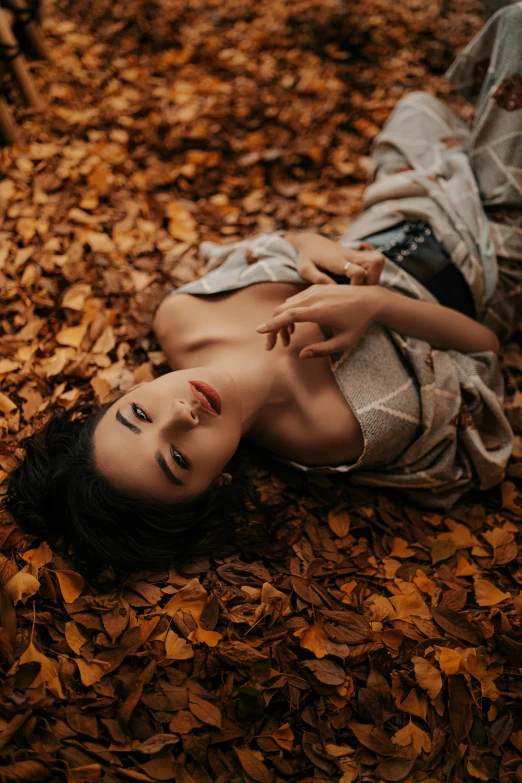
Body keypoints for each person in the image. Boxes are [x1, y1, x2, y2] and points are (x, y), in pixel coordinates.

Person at [8, 3, 522, 575]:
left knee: (418, 105)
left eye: (137, 416)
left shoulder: (184, 317)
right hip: (494, 256)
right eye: (177, 458)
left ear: (125, 395)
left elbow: (280, 241)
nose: (180, 414)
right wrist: (380, 305)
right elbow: (484, 350)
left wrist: (309, 246)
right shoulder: (336, 429)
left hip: (402, 203)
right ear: (216, 481)